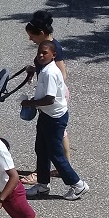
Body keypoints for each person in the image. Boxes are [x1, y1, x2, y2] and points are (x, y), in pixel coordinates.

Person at [21, 41, 89, 200]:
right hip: (47, 115)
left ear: (54, 55)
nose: (41, 55)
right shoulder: (45, 68)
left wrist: (29, 103)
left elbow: (50, 99)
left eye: (45, 53)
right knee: (41, 150)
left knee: (56, 154)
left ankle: (78, 185)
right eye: (39, 52)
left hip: (54, 118)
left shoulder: (51, 72)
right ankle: (43, 185)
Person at [22, 10, 69, 184]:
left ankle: (42, 172)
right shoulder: (46, 47)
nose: (30, 39)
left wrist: (47, 88)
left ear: (41, 33)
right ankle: (62, 167)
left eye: (32, 36)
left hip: (54, 96)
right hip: (51, 95)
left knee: (49, 137)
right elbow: (47, 69)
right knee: (59, 133)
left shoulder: (53, 48)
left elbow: (61, 74)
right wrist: (36, 70)